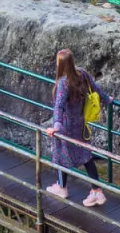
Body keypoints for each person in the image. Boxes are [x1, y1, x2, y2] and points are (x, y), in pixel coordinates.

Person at [45, 49, 112, 207]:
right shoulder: (82, 74)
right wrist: (107, 99)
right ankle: (97, 191)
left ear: (60, 64)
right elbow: (95, 88)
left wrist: (56, 126)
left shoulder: (63, 82)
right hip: (80, 124)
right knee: (86, 156)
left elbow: (59, 106)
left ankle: (62, 187)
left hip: (66, 127)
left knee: (61, 155)